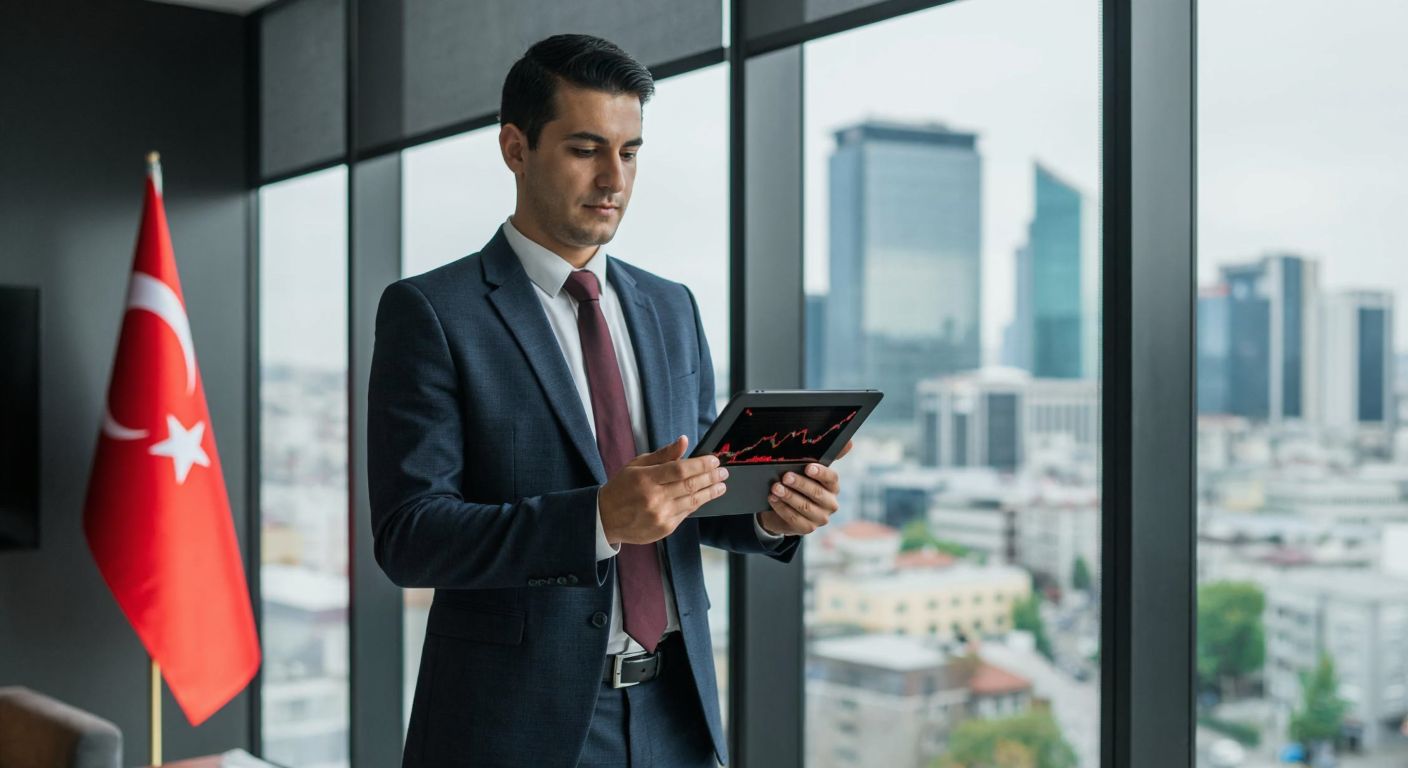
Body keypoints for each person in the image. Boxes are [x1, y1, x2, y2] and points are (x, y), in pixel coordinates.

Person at [367, 33, 851, 767]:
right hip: (513, 725)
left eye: (629, 153)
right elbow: (410, 535)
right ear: (515, 148)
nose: (612, 179)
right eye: (585, 149)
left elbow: (689, 492)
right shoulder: (433, 312)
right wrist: (595, 520)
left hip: (676, 713)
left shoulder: (670, 306)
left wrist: (770, 512)